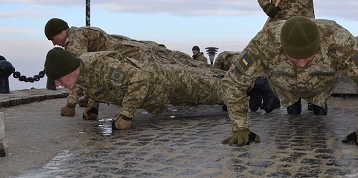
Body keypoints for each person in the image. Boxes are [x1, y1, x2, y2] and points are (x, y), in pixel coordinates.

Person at [221, 16, 358, 146]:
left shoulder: (339, 40)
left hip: (322, 87)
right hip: (284, 89)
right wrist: (240, 127)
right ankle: (292, 101)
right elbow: (232, 81)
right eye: (294, 58)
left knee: (319, 112)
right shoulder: (265, 42)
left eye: (308, 57)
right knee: (293, 111)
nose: (301, 64)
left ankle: (317, 102)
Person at [44, 18, 222, 120]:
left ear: (60, 32)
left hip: (138, 60)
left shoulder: (75, 40)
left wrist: (70, 105)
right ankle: (223, 76)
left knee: (187, 75)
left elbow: (76, 71)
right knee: (186, 67)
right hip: (138, 52)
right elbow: (90, 75)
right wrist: (92, 108)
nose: (53, 43)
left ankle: (227, 80)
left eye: (52, 38)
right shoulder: (83, 31)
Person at [44, 47, 224, 130]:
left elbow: (139, 78)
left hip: (166, 82)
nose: (58, 84)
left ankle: (246, 87)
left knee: (211, 90)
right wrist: (93, 107)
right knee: (200, 97)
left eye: (58, 79)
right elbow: (96, 87)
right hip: (159, 93)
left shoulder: (101, 65)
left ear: (69, 70)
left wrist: (127, 114)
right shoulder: (81, 75)